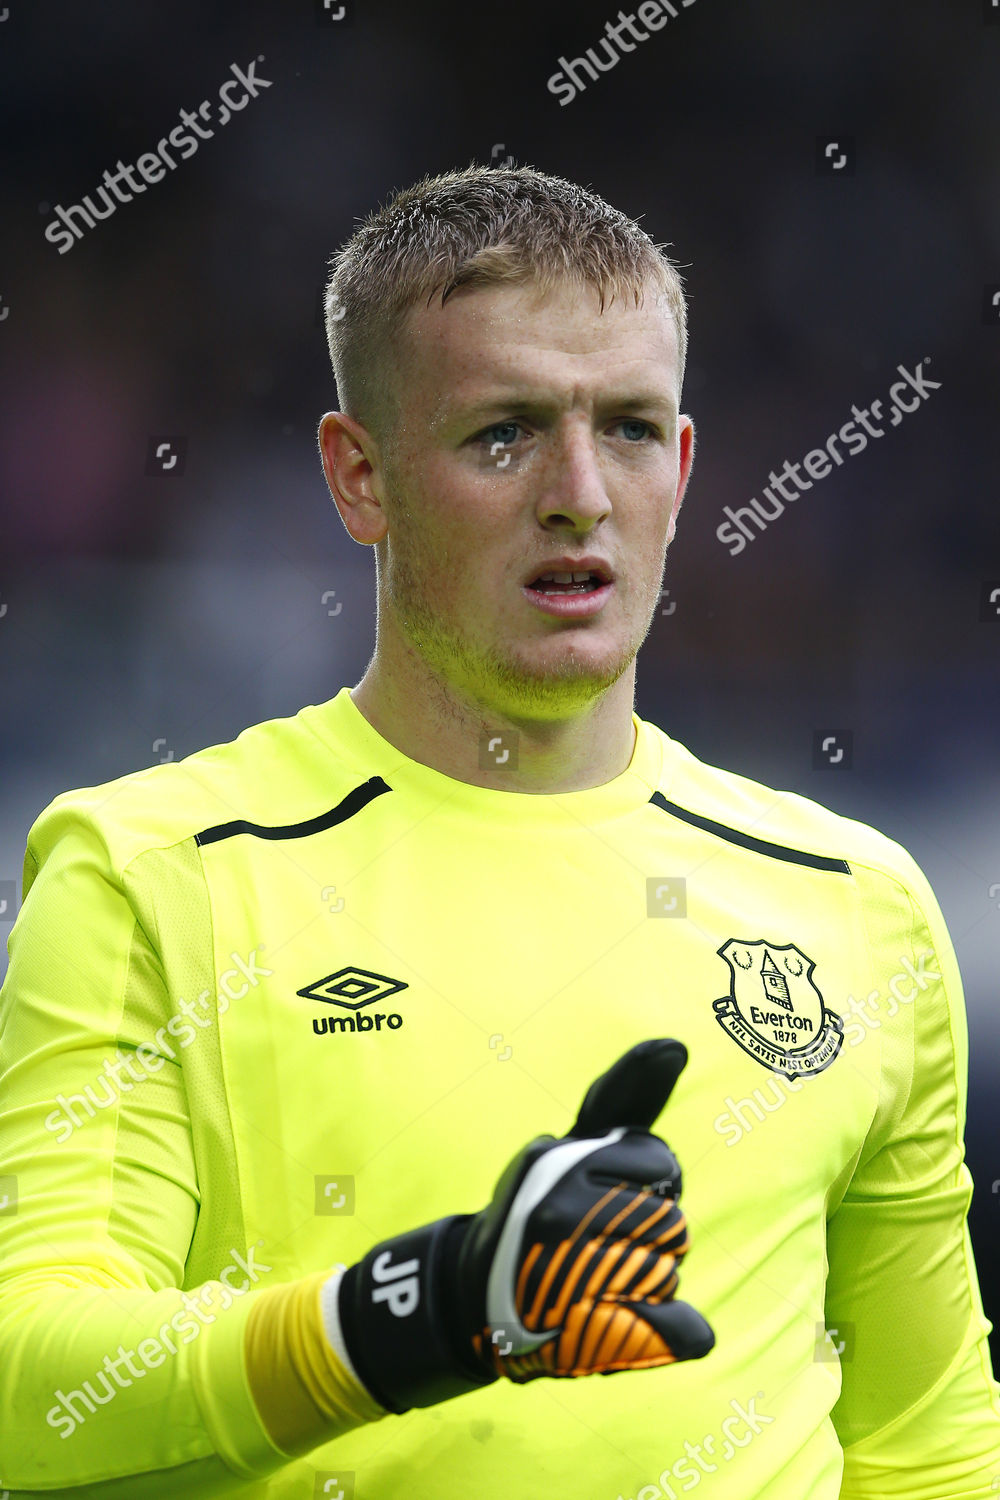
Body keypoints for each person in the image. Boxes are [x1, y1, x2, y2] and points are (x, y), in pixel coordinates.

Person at [1, 163, 998, 1500]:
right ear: (361, 480)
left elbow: (930, 1450)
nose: (581, 493)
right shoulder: (150, 873)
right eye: (505, 433)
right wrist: (425, 1310)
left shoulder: (855, 900)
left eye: (632, 429)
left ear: (687, 469)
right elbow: (35, 1401)